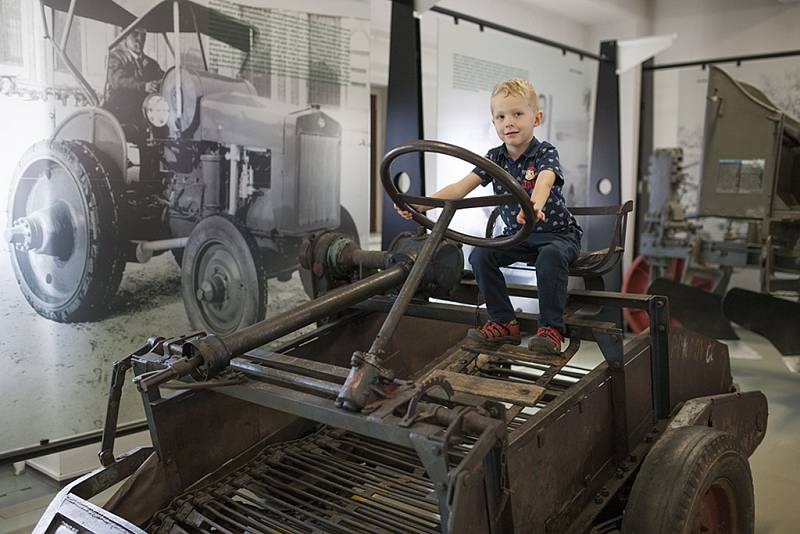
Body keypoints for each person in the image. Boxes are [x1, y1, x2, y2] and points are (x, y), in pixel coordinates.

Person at [396, 78, 582, 354]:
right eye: (501, 116)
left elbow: (544, 180)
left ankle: (552, 328)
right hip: (518, 235)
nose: (509, 122)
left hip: (556, 234)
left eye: (518, 114)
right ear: (493, 123)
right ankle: (505, 322)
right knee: (481, 256)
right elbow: (460, 187)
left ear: (537, 118)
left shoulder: (544, 153)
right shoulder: (494, 159)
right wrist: (423, 205)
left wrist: (533, 206)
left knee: (551, 256)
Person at [104, 28, 164, 134]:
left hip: (146, 114)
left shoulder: (151, 63)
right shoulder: (115, 58)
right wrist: (144, 86)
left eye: (143, 36)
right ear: (124, 36)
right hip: (121, 114)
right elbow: (118, 80)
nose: (140, 39)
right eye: (135, 34)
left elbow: (163, 77)